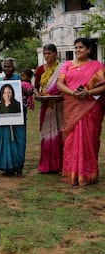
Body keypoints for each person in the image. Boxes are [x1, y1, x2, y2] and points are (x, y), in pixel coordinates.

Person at [56, 37, 105, 186]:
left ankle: (87, 174)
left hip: (90, 107)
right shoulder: (67, 65)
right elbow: (59, 84)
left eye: (81, 47)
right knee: (71, 140)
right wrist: (72, 93)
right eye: (76, 47)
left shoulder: (97, 66)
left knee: (89, 139)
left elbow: (103, 87)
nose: (77, 50)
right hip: (72, 106)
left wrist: (88, 93)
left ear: (89, 49)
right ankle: (72, 173)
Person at [0, 58, 26, 176]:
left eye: (9, 66)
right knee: (5, 139)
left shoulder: (19, 79)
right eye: (5, 67)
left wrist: (23, 89)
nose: (7, 69)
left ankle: (18, 166)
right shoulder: (0, 81)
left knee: (18, 140)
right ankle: (7, 167)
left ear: (14, 68)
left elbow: (29, 92)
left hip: (18, 116)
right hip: (3, 118)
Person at [34, 44, 64, 173]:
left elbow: (65, 85)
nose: (47, 56)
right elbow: (35, 87)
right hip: (46, 105)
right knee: (46, 135)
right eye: (45, 54)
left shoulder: (62, 68)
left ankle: (60, 165)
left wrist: (61, 95)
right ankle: (46, 166)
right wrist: (37, 94)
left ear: (55, 54)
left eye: (49, 53)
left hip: (59, 105)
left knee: (60, 134)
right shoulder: (40, 69)